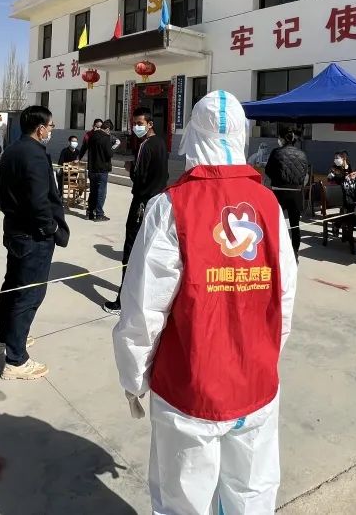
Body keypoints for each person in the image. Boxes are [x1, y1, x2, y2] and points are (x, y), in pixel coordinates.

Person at [113, 90, 297, 515]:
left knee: (184, 502)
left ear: (192, 135)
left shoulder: (170, 206)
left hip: (189, 387)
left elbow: (143, 309)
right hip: (255, 383)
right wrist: (264, 357)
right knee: (251, 494)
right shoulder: (269, 205)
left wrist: (133, 377)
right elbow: (284, 297)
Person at [0, 105, 69, 380]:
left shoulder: (13, 149)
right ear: (40, 128)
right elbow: (39, 202)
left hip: (15, 230)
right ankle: (16, 360)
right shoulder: (35, 155)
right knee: (29, 294)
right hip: (33, 236)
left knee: (13, 285)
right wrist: (51, 228)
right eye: (50, 126)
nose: (51, 130)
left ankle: (5, 337)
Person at [102, 107, 169, 315]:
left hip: (142, 201)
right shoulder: (161, 144)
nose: (136, 127)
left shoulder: (146, 146)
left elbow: (140, 176)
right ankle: (143, 296)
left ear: (150, 124)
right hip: (156, 201)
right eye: (135, 124)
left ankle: (123, 300)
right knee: (148, 251)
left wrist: (131, 169)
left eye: (140, 124)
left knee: (131, 252)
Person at [265, 130, 312, 260]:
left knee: (275, 223)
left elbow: (268, 170)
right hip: (296, 193)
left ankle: (275, 252)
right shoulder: (302, 154)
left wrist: (277, 179)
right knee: (295, 225)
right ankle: (295, 253)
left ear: (282, 139)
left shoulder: (276, 152)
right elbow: (304, 173)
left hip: (278, 191)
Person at [78, 118, 115, 221]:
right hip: (102, 169)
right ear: (107, 129)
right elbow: (109, 154)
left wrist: (79, 157)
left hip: (92, 168)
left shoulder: (91, 136)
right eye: (109, 131)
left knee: (93, 191)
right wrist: (113, 148)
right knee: (101, 192)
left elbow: (84, 148)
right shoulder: (106, 137)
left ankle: (90, 213)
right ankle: (99, 214)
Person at [57, 134, 81, 199]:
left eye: (76, 141)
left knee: (82, 177)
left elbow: (80, 162)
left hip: (74, 173)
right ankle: (60, 193)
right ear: (69, 142)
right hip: (66, 172)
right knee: (58, 172)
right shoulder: (64, 151)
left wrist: (77, 162)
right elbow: (60, 163)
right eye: (73, 141)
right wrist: (71, 163)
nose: (75, 143)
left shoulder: (78, 152)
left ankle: (78, 194)